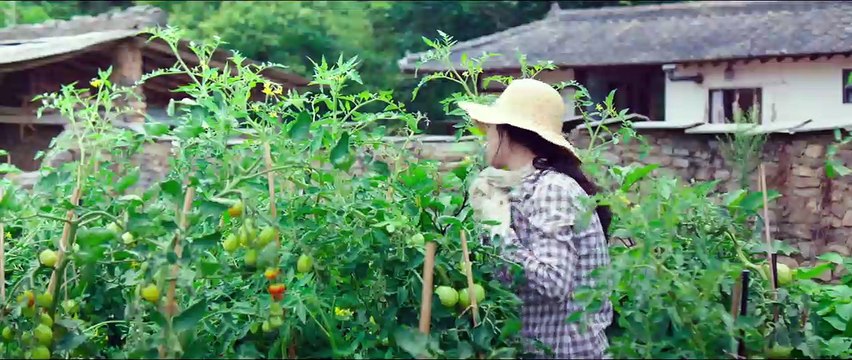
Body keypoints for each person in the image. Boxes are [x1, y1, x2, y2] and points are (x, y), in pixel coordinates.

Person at [461, 79, 613, 359]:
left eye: (491, 129)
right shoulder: (525, 187)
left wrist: (499, 233)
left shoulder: (551, 190)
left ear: (508, 132)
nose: (487, 139)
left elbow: (554, 281)